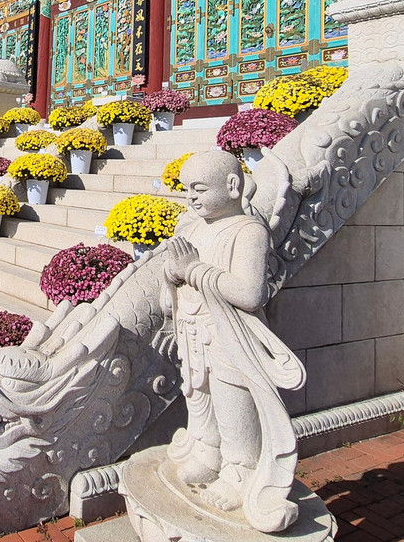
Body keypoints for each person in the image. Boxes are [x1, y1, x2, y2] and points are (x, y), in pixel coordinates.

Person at [159, 151, 305, 533]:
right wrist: (172, 280)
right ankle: (206, 449)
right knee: (197, 393)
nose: (190, 197)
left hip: (229, 335)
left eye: (199, 189)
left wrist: (194, 270)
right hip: (191, 328)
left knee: (231, 398)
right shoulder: (190, 229)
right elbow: (171, 283)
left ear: (232, 186)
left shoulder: (247, 232)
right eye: (186, 189)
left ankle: (240, 469)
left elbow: (250, 293)